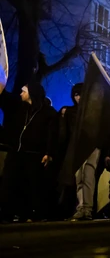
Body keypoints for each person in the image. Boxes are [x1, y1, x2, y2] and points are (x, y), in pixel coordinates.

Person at [0, 82, 58, 221]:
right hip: (17, 152)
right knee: (9, 182)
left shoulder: (48, 113)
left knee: (30, 185)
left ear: (31, 93)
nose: (21, 94)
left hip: (34, 154)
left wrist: (49, 152)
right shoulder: (21, 109)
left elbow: (52, 134)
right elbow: (6, 100)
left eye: (23, 91)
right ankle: (7, 213)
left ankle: (31, 213)